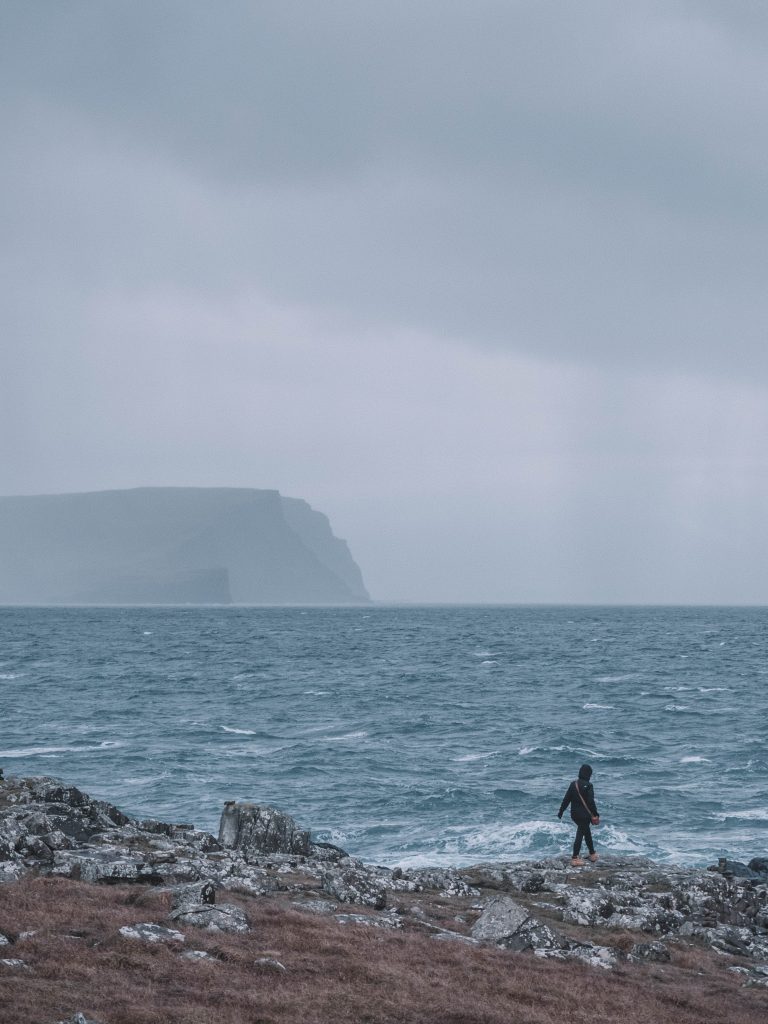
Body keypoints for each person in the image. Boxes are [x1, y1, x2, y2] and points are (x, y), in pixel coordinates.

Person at [558, 763, 600, 866]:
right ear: (589, 774)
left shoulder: (573, 784)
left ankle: (592, 853)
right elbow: (590, 802)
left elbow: (566, 799)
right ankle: (575, 858)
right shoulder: (589, 786)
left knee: (587, 832)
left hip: (574, 815)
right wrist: (595, 813)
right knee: (580, 834)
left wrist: (561, 811)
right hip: (584, 816)